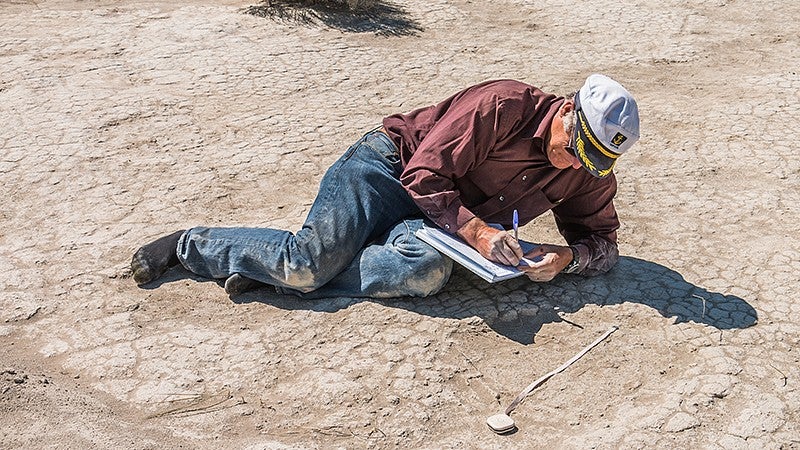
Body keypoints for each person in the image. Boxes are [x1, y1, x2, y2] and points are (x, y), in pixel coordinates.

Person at [131, 74, 640, 299]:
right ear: (569, 110)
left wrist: (567, 259)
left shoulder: (586, 170)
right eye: (576, 144)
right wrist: (480, 232)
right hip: (387, 170)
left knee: (426, 275)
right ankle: (188, 246)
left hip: (438, 220)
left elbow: (604, 245)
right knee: (305, 264)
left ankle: (269, 275)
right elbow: (424, 175)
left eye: (593, 160)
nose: (574, 160)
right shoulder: (504, 105)